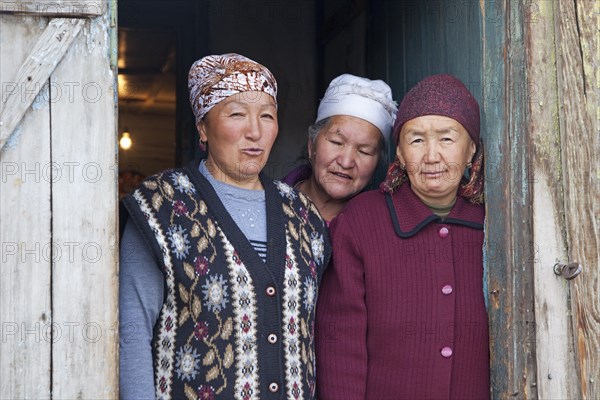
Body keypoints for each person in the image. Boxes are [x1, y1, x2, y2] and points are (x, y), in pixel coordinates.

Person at [119, 53, 331, 400]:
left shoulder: (303, 216)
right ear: (203, 127)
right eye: (236, 114)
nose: (255, 131)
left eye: (267, 115)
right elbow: (132, 330)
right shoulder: (163, 207)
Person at [315, 74, 489, 399]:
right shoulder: (361, 222)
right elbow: (340, 346)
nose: (432, 156)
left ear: (472, 150)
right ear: (399, 151)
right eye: (417, 140)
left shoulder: (496, 223)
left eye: (447, 139)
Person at [282, 74, 397, 223]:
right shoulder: (266, 201)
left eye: (364, 151)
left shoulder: (376, 230)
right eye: (337, 142)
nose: (346, 162)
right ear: (311, 145)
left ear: (376, 165)